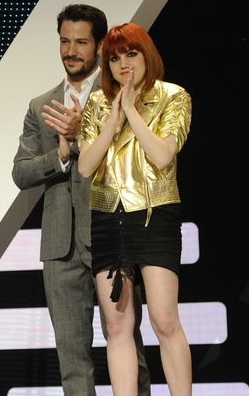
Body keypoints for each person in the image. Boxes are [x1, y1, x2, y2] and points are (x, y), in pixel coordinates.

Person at [13, 4, 149, 396]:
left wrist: (83, 134)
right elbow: (21, 172)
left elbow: (135, 161)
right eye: (64, 41)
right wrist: (61, 153)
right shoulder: (42, 106)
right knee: (72, 362)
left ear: (102, 46)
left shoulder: (118, 98)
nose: (71, 51)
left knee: (127, 346)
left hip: (109, 236)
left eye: (81, 42)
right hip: (60, 247)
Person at [71, 22, 192, 396]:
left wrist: (132, 111)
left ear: (146, 55)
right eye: (114, 58)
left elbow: (162, 155)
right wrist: (112, 120)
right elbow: (85, 166)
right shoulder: (96, 103)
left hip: (155, 214)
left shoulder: (173, 96)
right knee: (117, 324)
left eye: (131, 54)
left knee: (163, 319)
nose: (123, 64)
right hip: (109, 215)